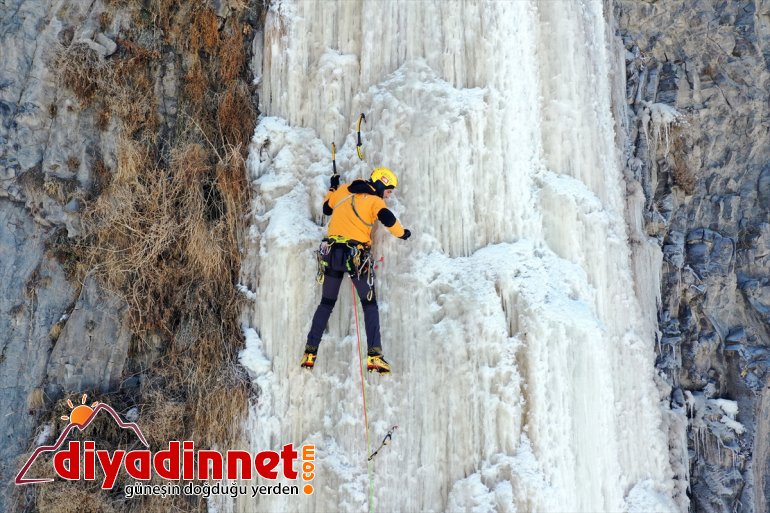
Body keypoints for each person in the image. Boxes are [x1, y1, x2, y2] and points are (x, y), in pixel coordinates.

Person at [301, 167, 411, 373]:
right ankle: (374, 356)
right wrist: (403, 233)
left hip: (332, 254)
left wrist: (333, 187)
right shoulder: (375, 201)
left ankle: (310, 351)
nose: (388, 194)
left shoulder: (343, 190)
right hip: (356, 256)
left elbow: (326, 208)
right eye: (388, 190)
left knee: (326, 303)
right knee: (369, 304)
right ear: (380, 183)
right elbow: (388, 219)